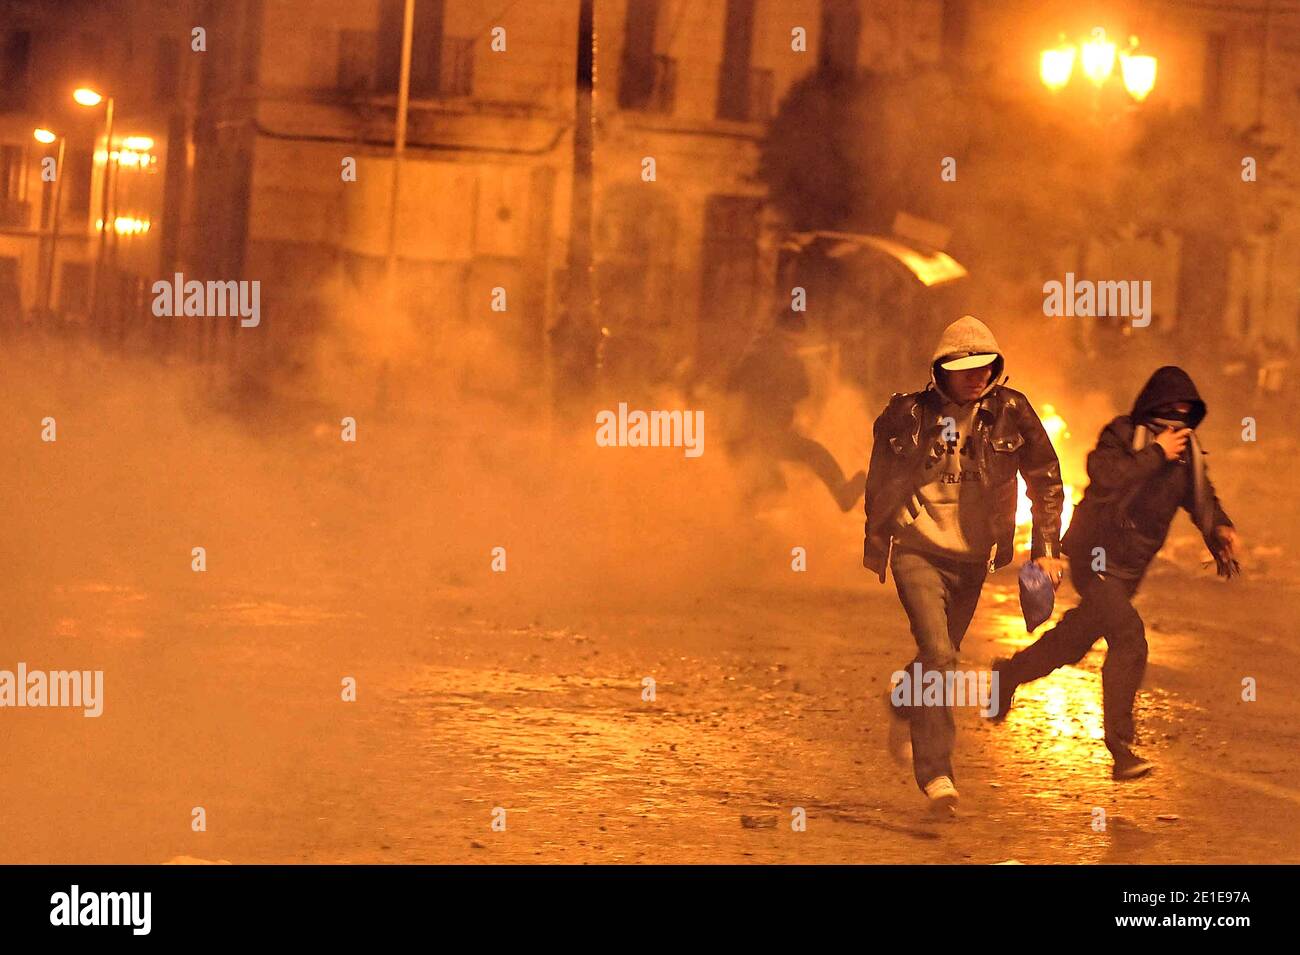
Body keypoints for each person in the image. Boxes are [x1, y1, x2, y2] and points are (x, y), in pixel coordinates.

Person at [990, 366, 1240, 780]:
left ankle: (1009, 675)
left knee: (1073, 642)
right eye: (1171, 407)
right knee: (1129, 637)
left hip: (1130, 570)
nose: (1178, 418)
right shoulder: (1123, 436)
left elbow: (1203, 500)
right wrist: (1156, 452)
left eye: (1186, 410)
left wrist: (1220, 528)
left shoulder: (1188, 457)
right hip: (1096, 557)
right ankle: (1120, 747)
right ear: (1153, 406)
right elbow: (1106, 478)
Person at [865, 315, 1064, 812]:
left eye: (985, 366)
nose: (977, 376)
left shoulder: (1012, 412)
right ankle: (936, 775)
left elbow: (1046, 478)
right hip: (917, 551)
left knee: (940, 655)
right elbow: (878, 481)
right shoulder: (907, 415)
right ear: (942, 369)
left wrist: (1046, 550)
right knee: (942, 656)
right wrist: (888, 516)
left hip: (972, 558)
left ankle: (906, 696)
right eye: (966, 367)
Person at [727, 309, 864, 511]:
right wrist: (791, 365)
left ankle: (742, 527)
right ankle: (842, 493)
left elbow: (801, 392)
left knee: (770, 487)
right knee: (780, 478)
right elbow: (793, 390)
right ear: (780, 335)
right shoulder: (763, 357)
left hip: (764, 436)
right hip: (756, 437)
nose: (793, 346)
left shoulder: (767, 355)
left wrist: (795, 363)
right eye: (790, 341)